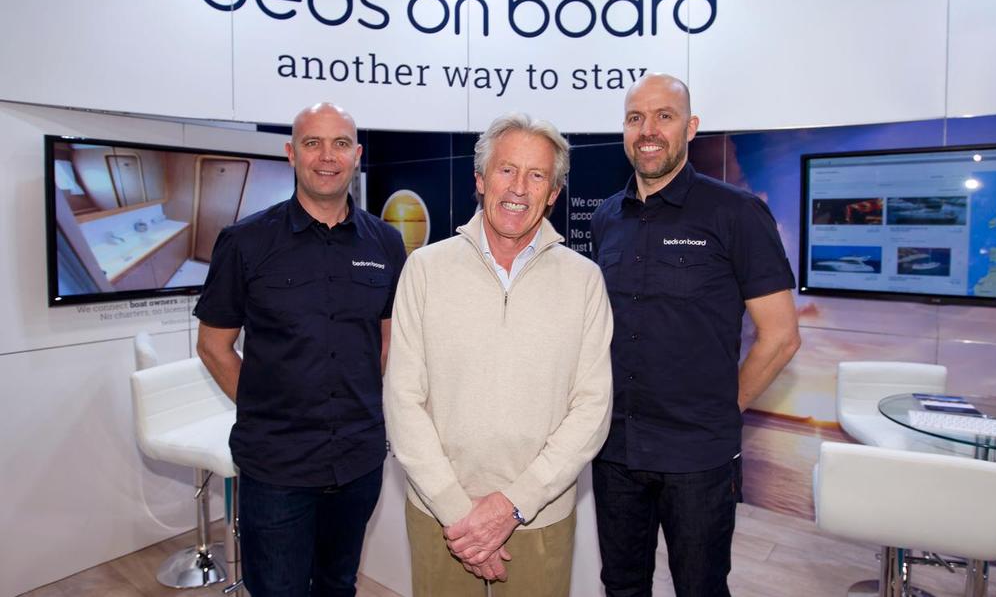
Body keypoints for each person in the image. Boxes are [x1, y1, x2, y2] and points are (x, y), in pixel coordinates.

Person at [383, 113, 613, 597]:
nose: (519, 188)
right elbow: (403, 400)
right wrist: (458, 513)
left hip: (540, 518)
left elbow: (592, 410)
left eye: (537, 176)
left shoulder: (585, 280)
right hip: (440, 517)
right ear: (480, 180)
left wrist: (512, 504)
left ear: (553, 193)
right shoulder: (425, 270)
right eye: (507, 170)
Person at [590, 74, 801, 597]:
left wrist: (722, 409)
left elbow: (780, 337)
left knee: (701, 588)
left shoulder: (736, 212)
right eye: (636, 117)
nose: (649, 129)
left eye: (664, 116)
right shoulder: (605, 218)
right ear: (624, 130)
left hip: (698, 458)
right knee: (621, 585)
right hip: (615, 449)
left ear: (691, 126)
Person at [193, 102, 406, 597]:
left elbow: (386, 336)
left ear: (357, 155)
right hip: (276, 467)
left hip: (357, 459)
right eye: (312, 143)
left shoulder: (386, 243)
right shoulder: (245, 242)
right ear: (291, 153)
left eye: (339, 144)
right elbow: (213, 345)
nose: (326, 156)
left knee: (337, 585)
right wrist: (268, 406)